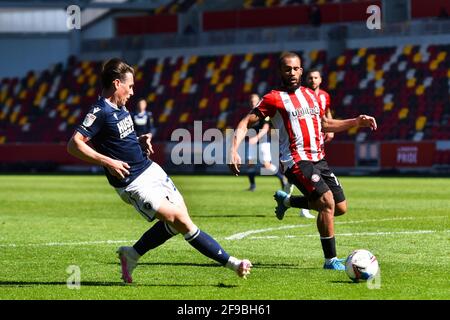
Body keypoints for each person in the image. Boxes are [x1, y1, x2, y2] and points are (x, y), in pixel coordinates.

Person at [67, 58, 252, 283]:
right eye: (130, 86)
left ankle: (132, 254)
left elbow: (117, 139)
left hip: (150, 168)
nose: (133, 92)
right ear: (117, 84)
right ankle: (234, 263)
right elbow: (74, 144)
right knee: (182, 221)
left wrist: (139, 140)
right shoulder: (100, 110)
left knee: (176, 223)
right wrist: (109, 162)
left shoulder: (121, 107)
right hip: (132, 182)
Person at [229, 52, 377, 271]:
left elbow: (324, 125)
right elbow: (244, 122)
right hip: (295, 160)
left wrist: (356, 121)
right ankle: (330, 261)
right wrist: (233, 150)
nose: (291, 72)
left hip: (319, 158)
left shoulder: (311, 95)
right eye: (287, 69)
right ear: (281, 71)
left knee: (340, 207)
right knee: (327, 202)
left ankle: (287, 201)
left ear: (301, 70)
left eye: (295, 68)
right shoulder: (273, 98)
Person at [245, 93, 288, 191]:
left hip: (263, 142)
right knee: (250, 163)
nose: (253, 103)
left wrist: (256, 137)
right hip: (253, 142)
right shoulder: (250, 114)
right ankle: (252, 186)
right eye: (251, 101)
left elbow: (265, 128)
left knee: (266, 165)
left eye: (255, 101)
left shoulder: (263, 113)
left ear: (259, 101)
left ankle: (282, 178)